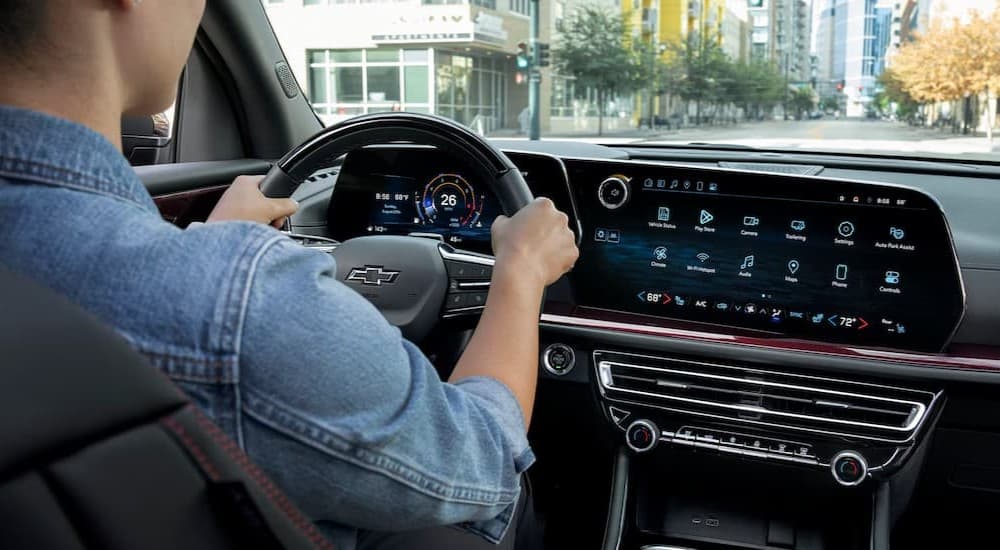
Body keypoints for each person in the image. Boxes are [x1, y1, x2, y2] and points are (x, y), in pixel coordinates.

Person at [0, 1, 578, 549]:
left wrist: (210, 243)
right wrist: (520, 274)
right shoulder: (241, 301)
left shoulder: (203, 279)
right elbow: (483, 457)